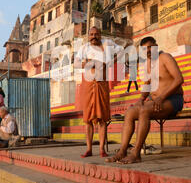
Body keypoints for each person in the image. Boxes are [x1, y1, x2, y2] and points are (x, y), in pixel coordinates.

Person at [106, 36, 184, 164]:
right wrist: (141, 98)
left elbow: (179, 79)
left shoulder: (165, 58)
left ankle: (136, 153)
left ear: (156, 46)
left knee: (143, 111)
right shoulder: (147, 63)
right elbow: (148, 83)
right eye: (144, 49)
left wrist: (161, 98)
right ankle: (122, 151)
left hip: (173, 99)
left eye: (150, 47)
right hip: (155, 101)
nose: (148, 51)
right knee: (130, 111)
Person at [74, 27, 123, 158]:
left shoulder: (107, 44)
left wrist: (110, 62)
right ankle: (89, 149)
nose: (94, 36)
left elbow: (121, 51)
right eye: (91, 34)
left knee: (102, 118)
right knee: (88, 119)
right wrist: (88, 63)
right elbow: (76, 63)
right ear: (88, 36)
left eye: (96, 34)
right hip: (88, 85)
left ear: (100, 35)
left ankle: (102, 149)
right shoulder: (84, 48)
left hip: (102, 84)